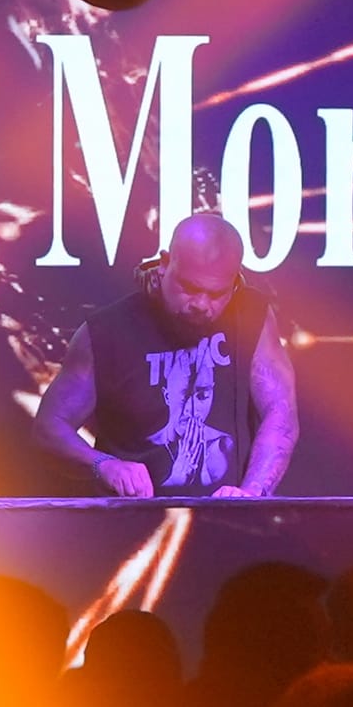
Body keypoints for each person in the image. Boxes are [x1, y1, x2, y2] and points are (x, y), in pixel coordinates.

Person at [33, 212, 297, 498]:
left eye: (216, 294)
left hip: (228, 518)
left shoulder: (252, 316)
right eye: (190, 288)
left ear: (235, 281)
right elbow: (49, 427)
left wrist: (252, 494)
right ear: (165, 264)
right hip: (131, 518)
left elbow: (280, 411)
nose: (201, 304)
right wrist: (104, 465)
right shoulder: (106, 330)